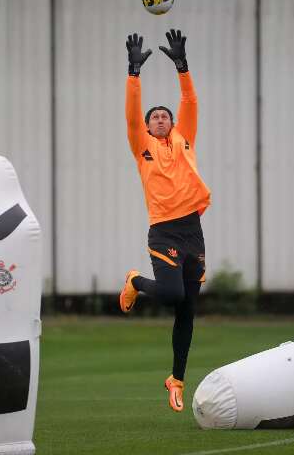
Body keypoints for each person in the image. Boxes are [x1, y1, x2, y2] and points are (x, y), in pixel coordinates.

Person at [120, 29, 211, 412]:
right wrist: (133, 72)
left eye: (165, 116)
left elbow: (189, 99)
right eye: (154, 117)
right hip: (164, 230)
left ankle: (176, 378)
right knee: (172, 293)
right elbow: (131, 113)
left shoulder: (184, 138)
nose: (160, 119)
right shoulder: (144, 148)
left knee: (187, 308)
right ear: (148, 126)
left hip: (193, 230)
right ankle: (136, 281)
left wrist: (181, 65)